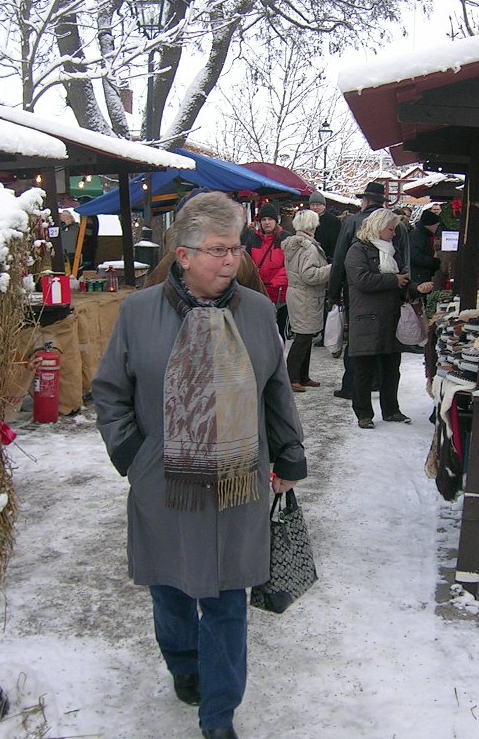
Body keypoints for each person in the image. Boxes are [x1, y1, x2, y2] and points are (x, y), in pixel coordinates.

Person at [92, 192, 306, 739]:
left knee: (229, 602)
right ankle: (184, 664)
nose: (230, 260)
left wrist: (289, 453)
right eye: (216, 250)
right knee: (170, 592)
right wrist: (134, 458)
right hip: (163, 484)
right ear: (183, 255)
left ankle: (219, 714)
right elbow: (111, 392)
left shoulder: (258, 312)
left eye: (235, 248)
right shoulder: (138, 314)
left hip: (238, 487)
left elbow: (276, 391)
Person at [345, 208, 433, 429]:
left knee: (392, 368)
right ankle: (363, 413)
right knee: (364, 370)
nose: (393, 234)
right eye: (391, 229)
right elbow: (362, 280)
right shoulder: (357, 250)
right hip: (367, 318)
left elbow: (403, 281)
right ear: (377, 227)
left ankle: (391, 410)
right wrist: (394, 281)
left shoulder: (393, 251)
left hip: (391, 317)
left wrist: (416, 288)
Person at [326, 182, 388, 399]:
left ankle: (352, 385)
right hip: (387, 290)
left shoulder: (353, 222)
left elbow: (340, 260)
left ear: (366, 201)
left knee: (358, 337)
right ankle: (378, 382)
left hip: (357, 291)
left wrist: (333, 293)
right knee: (382, 335)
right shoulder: (394, 224)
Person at [281, 209, 331, 391]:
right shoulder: (308, 247)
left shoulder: (295, 244)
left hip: (298, 294)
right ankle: (292, 377)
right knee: (303, 337)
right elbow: (309, 275)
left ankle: (302, 376)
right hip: (305, 295)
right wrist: (331, 269)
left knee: (306, 335)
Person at [248, 202, 290, 337]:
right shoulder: (252, 239)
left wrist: (276, 281)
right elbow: (247, 263)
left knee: (279, 332)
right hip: (259, 292)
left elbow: (289, 266)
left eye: (270, 219)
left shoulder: (286, 238)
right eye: (264, 219)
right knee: (260, 332)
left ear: (276, 221)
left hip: (279, 294)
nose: (267, 222)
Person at [409, 208, 442, 285]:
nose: (437, 227)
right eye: (436, 225)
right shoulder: (417, 235)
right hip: (419, 276)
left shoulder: (424, 235)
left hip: (423, 274)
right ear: (430, 225)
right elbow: (415, 256)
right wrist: (434, 262)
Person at [307, 191, 341, 261]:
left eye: (318, 205)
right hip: (309, 256)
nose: (315, 207)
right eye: (312, 205)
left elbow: (336, 242)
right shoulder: (306, 219)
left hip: (326, 257)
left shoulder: (333, 220)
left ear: (324, 206)